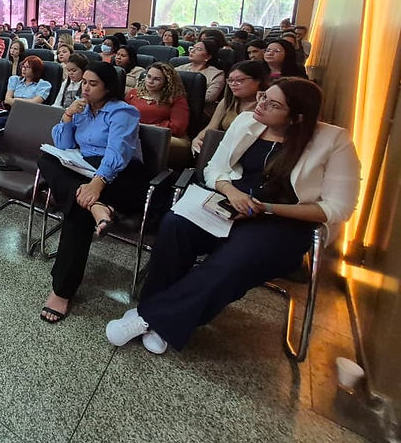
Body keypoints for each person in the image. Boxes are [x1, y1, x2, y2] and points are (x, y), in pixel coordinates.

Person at [105, 78, 360, 354]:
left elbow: (338, 208)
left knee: (233, 261)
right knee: (175, 225)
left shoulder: (333, 140)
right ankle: (160, 316)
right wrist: (231, 191)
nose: (260, 105)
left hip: (281, 221)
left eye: (272, 104)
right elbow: (215, 168)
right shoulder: (246, 121)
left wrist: (267, 208)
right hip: (230, 202)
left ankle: (149, 318)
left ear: (297, 117)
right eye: (263, 96)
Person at [37, 62, 147, 323]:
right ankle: (98, 207)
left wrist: (97, 184)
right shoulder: (82, 108)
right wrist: (67, 115)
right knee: (46, 158)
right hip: (85, 168)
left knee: (77, 214)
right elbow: (62, 144)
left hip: (122, 175)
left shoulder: (124, 112)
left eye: (92, 83)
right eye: (84, 82)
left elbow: (117, 152)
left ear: (108, 87)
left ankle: (61, 292)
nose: (85, 87)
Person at [192, 59, 270, 153]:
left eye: (239, 80)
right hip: (224, 149)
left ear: (258, 80)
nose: (233, 84)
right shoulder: (227, 102)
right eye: (230, 80)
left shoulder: (266, 105)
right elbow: (211, 128)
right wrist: (197, 139)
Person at [125, 63, 190, 140]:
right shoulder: (133, 93)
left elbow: (178, 127)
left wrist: (151, 128)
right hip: (133, 133)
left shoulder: (176, 98)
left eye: (157, 79)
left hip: (164, 137)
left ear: (167, 82)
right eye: (148, 76)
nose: (150, 81)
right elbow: (122, 115)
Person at [175, 40, 224, 104]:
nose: (192, 51)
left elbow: (209, 97)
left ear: (208, 57)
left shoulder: (216, 74)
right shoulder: (179, 69)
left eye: (199, 49)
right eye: (192, 48)